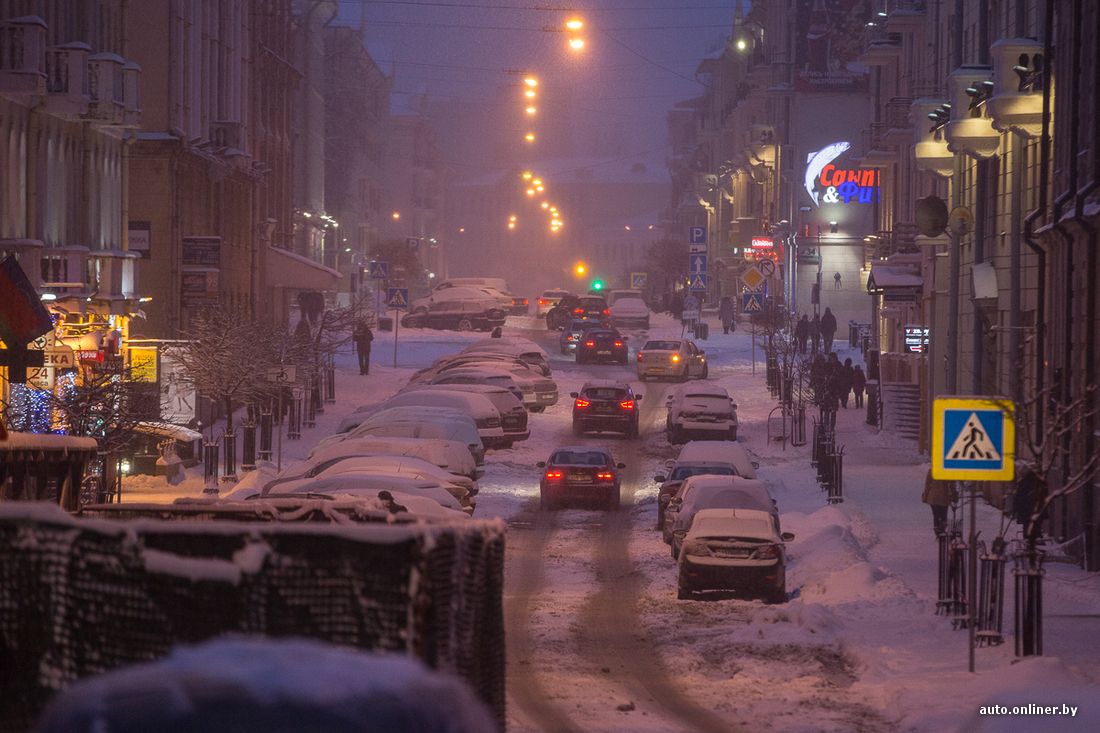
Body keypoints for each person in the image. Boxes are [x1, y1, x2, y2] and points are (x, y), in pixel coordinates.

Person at [922, 468, 958, 536]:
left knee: (936, 515)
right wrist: (954, 494)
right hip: (944, 496)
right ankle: (942, 531)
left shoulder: (931, 470)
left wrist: (925, 496)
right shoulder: (948, 470)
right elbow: (952, 485)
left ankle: (938, 532)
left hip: (933, 497)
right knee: (944, 515)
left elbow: (927, 484)